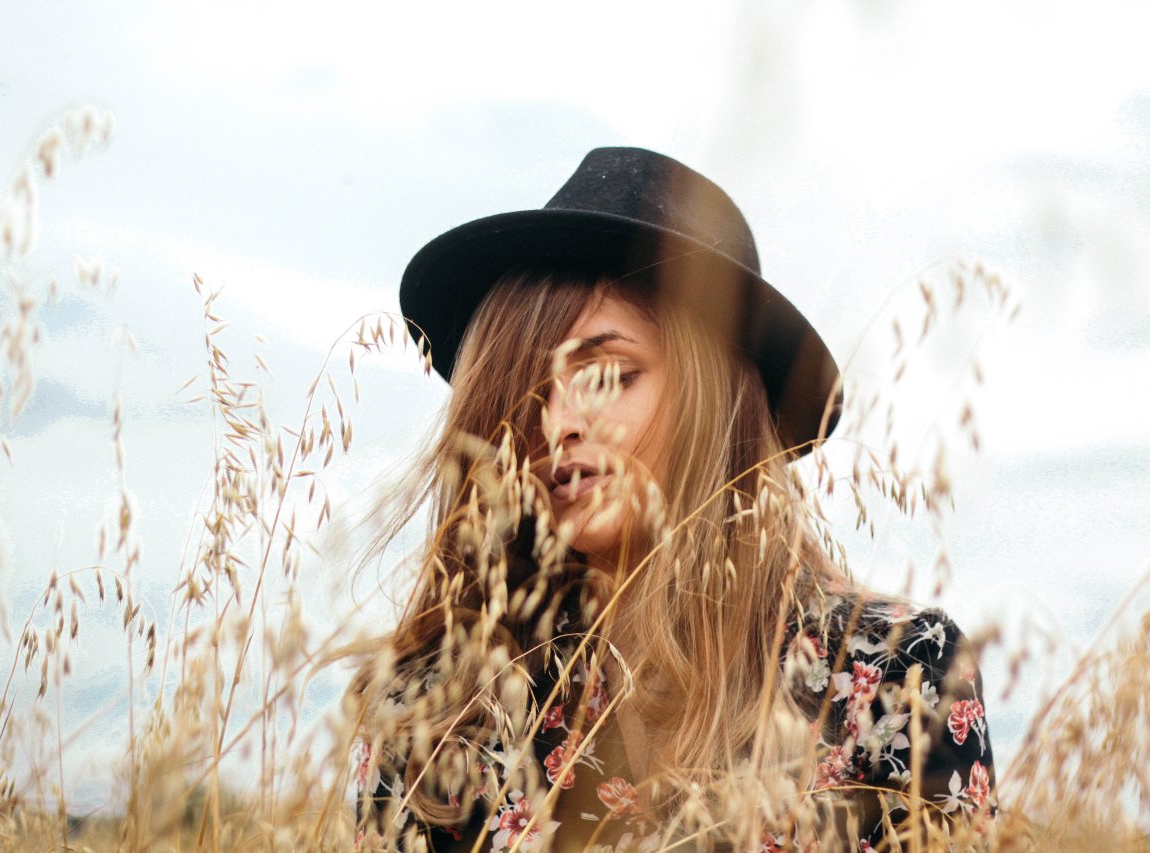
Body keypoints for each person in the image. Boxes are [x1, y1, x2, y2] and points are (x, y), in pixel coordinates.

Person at [348, 148, 995, 851]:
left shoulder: (896, 672)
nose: (555, 422)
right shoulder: (434, 712)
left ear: (714, 400)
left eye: (608, 374)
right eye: (526, 388)